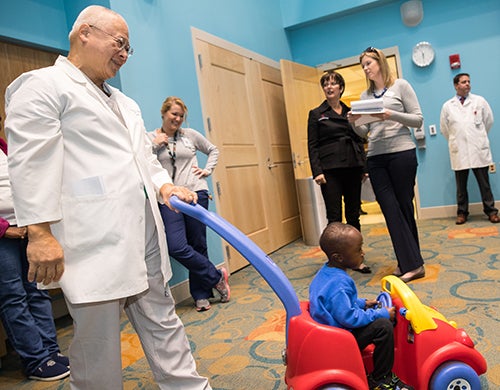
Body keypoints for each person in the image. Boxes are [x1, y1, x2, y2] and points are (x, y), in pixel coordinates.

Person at [5, 6, 211, 389]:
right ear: (85, 33)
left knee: (164, 320)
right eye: (119, 42)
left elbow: (144, 160)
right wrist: (40, 232)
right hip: (92, 238)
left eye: (128, 48)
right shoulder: (42, 85)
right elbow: (30, 164)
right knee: (98, 342)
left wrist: (165, 186)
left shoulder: (126, 102)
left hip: (144, 230)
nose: (124, 53)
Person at [348, 47, 425, 283]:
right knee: (391, 210)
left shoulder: (400, 86)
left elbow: (417, 119)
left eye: (368, 63)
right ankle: (413, 263)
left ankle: (409, 263)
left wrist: (390, 114)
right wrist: (354, 123)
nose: (365, 68)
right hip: (376, 157)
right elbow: (364, 131)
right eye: (363, 66)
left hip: (402, 153)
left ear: (380, 62)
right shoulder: (364, 97)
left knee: (403, 208)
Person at [147, 96, 229, 312]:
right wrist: (154, 146)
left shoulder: (189, 136)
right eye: (174, 114)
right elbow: (142, 162)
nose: (178, 119)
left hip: (195, 193)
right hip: (169, 198)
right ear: (164, 113)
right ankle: (216, 276)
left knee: (198, 244)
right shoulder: (149, 138)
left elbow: (213, 149)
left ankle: (201, 295)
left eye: (181, 116)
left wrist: (207, 170)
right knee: (177, 246)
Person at [309, 222, 413, 390]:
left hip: (332, 331)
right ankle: (381, 379)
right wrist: (382, 314)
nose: (363, 253)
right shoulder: (340, 284)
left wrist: (363, 303)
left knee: (378, 319)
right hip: (340, 339)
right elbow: (349, 318)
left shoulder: (327, 272)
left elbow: (337, 304)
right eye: (358, 250)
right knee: (384, 327)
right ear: (339, 257)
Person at [0, 132, 69, 381]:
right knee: (14, 297)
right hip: (3, 235)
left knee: (38, 289)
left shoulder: (5, 147)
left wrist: (32, 221)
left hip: (27, 228)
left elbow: (23, 183)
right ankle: (36, 360)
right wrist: (4, 228)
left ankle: (51, 352)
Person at [308, 70, 371, 273]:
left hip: (352, 167)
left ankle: (356, 257)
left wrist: (364, 167)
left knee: (354, 214)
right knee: (334, 217)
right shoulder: (317, 114)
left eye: (333, 83)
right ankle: (336, 261)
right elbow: (313, 145)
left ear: (341, 88)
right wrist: (317, 171)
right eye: (325, 84)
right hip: (330, 170)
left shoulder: (351, 112)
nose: (329, 87)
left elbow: (360, 140)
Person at [439, 73, 499, 225]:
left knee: (485, 185)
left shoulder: (479, 101)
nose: (467, 84)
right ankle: (462, 213)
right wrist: (456, 140)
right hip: (459, 151)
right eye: (464, 82)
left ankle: (491, 211)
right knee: (461, 187)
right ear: (456, 85)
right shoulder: (448, 106)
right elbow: (444, 129)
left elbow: (488, 121)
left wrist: (477, 138)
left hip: (478, 149)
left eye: (469, 81)